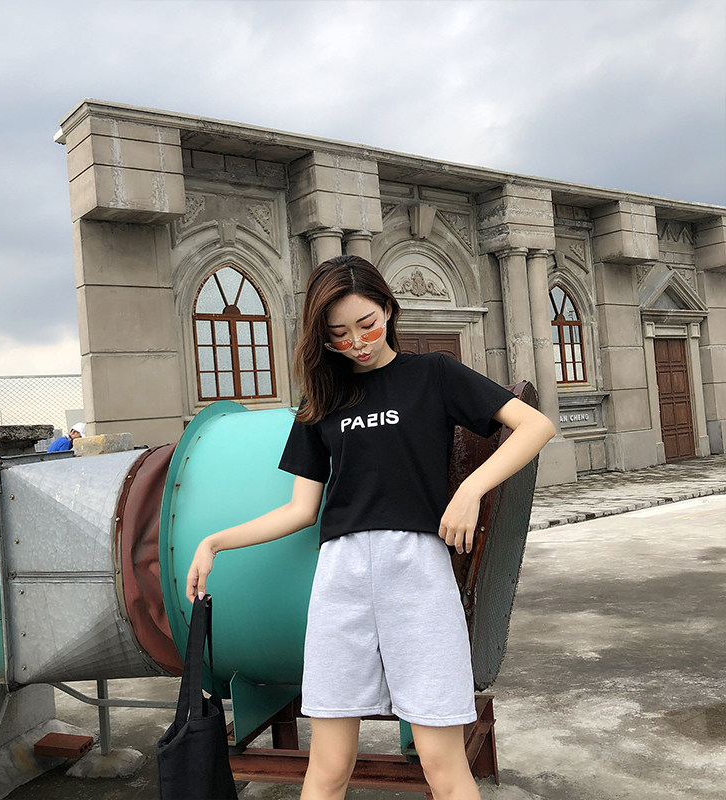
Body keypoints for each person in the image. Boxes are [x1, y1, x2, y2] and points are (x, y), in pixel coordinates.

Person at [186, 255, 555, 800]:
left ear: (388, 309)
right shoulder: (322, 401)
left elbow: (535, 426)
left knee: (441, 763)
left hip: (418, 572)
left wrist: (469, 490)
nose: (356, 342)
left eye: (366, 324)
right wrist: (215, 541)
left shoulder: (433, 374)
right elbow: (300, 510)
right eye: (338, 334)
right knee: (329, 766)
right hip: (343, 578)